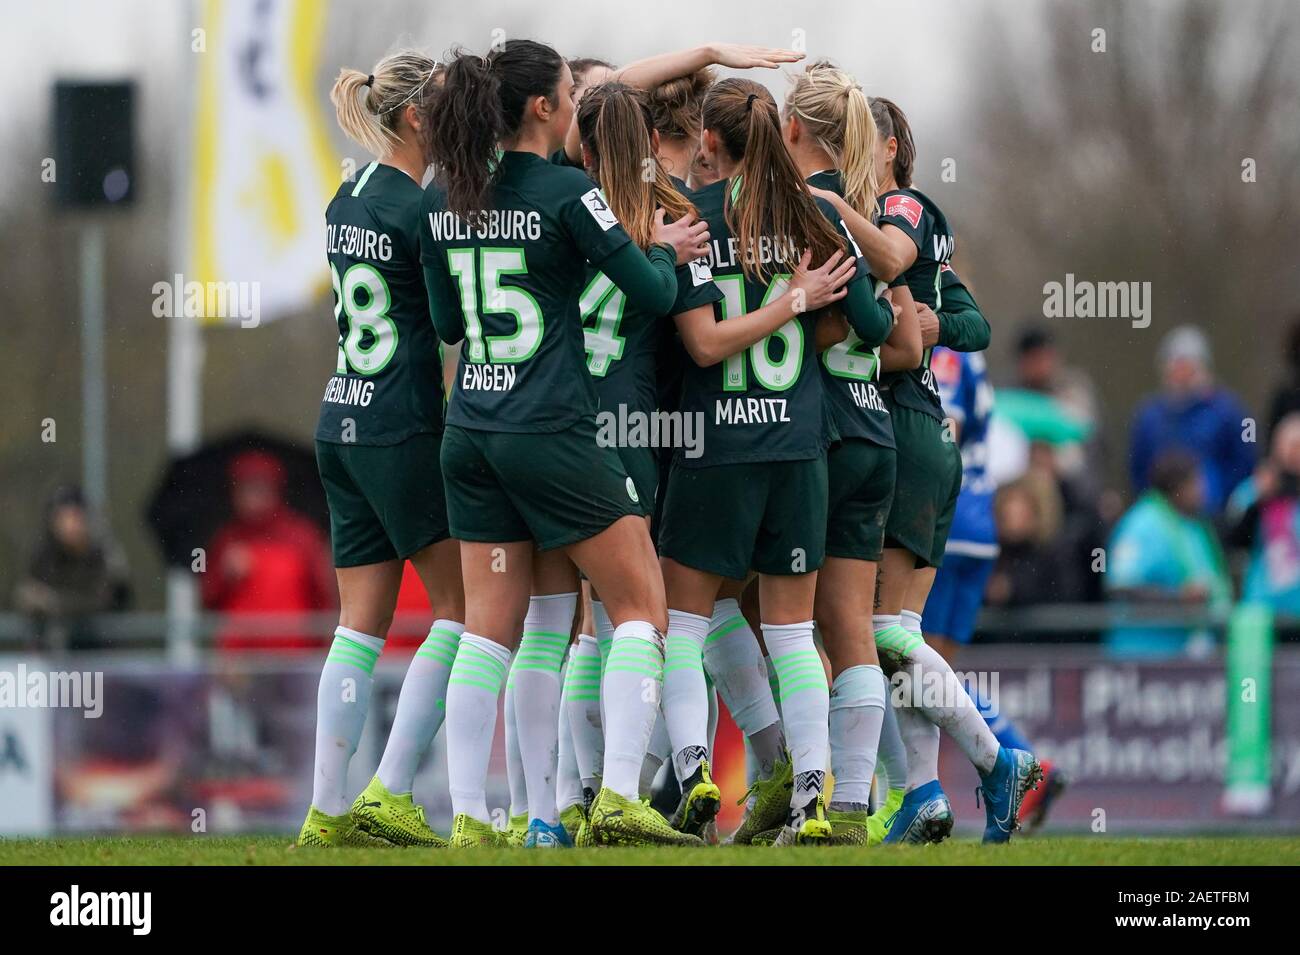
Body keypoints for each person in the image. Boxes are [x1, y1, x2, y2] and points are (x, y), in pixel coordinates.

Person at [420, 39, 712, 849]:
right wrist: (660, 247)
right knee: (641, 607)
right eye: (571, 94)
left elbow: (448, 323)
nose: (582, 104)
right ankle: (618, 795)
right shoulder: (569, 191)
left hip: (469, 429)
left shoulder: (449, 195)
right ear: (545, 107)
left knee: (500, 629)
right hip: (547, 430)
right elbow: (652, 292)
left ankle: (482, 819)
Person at [657, 76, 889, 847]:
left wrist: (779, 309)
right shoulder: (811, 215)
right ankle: (814, 802)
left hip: (714, 445)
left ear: (710, 143)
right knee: (793, 636)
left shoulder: (691, 220)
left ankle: (694, 777)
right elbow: (854, 325)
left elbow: (701, 344)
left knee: (684, 626)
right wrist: (797, 309)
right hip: (798, 447)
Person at [813, 96, 1039, 845]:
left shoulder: (901, 208)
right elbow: (971, 319)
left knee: (878, 629)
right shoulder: (869, 213)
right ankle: (922, 794)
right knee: (890, 633)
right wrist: (934, 318)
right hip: (913, 434)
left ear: (891, 147)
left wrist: (820, 203)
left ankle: (996, 759)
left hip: (905, 431)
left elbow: (937, 297)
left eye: (860, 137)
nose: (848, 148)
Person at [297, 51, 468, 850]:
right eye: (442, 104)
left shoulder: (347, 194)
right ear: (415, 119)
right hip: (401, 424)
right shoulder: (421, 206)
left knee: (358, 628)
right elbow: (452, 324)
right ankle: (388, 794)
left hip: (341, 420)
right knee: (467, 612)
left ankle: (323, 810)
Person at [769, 62, 912, 847]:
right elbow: (897, 331)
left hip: (818, 432)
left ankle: (796, 789)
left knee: (782, 624)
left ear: (790, 128)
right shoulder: (865, 212)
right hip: (875, 433)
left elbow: (828, 326)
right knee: (852, 628)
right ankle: (851, 803)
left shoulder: (803, 206)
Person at [202, 451, 334, 653]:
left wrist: (323, 650)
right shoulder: (227, 539)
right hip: (242, 661)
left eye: (259, 487)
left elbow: (324, 597)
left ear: (275, 489)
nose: (252, 497)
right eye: (245, 489)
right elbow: (208, 599)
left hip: (294, 658)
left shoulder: (302, 535)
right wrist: (224, 574)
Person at [1106, 450, 1232, 657]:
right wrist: (1177, 598)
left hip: (1188, 656)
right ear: (1177, 487)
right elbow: (1121, 587)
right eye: (1197, 482)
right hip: (1144, 657)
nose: (1204, 490)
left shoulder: (1194, 525)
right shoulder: (1142, 525)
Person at [1129, 325, 1254, 515]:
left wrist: (1224, 497)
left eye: (1187, 368)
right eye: (1176, 367)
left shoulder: (1230, 411)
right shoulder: (1149, 416)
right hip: (1163, 516)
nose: (1181, 376)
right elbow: (1138, 467)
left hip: (1214, 515)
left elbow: (1246, 457)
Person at [14, 485, 131, 652]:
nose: (70, 525)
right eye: (63, 518)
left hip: (99, 651)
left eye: (75, 517)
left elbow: (103, 600)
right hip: (51, 654)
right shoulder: (43, 554)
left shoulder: (103, 553)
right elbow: (26, 595)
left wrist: (52, 602)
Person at [1225, 412, 1300, 618]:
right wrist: (1261, 499)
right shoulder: (1253, 490)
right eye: (1292, 446)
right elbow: (1235, 541)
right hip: (1263, 606)